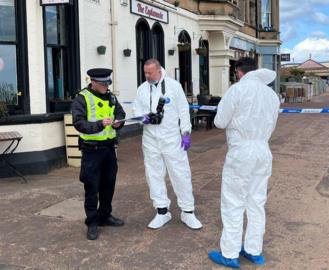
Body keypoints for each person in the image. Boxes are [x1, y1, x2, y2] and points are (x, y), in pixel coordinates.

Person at [208, 57, 280, 268]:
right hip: (263, 149)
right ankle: (253, 250)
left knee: (233, 201)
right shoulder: (271, 94)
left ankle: (230, 253)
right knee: (256, 201)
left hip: (242, 150)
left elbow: (220, 121)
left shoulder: (237, 90)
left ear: (239, 72)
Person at [133, 58, 202, 230]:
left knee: (180, 174)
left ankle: (188, 211)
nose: (147, 75)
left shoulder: (173, 86)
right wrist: (144, 117)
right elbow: (136, 110)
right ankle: (162, 211)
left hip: (172, 138)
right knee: (153, 174)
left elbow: (184, 110)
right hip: (150, 139)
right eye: (145, 72)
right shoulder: (142, 89)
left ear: (158, 70)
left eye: (150, 72)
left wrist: (185, 132)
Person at [71, 68, 126, 240]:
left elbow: (120, 113)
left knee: (108, 184)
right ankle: (92, 222)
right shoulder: (82, 98)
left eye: (108, 83)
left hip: (109, 149)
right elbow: (79, 123)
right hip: (92, 150)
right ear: (93, 82)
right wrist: (100, 124)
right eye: (103, 84)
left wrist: (118, 123)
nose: (106, 86)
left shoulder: (110, 96)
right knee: (92, 187)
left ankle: (105, 216)